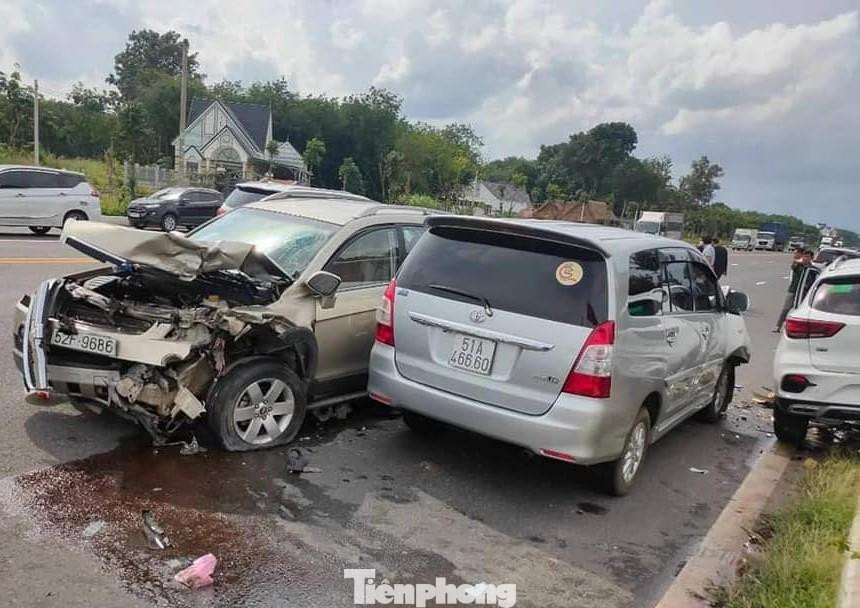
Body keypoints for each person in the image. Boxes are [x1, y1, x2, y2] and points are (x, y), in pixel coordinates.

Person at [775, 248, 811, 332]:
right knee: (786, 308)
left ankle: (797, 328)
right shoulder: (797, 265)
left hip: (803, 292)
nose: (806, 258)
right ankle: (778, 326)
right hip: (793, 290)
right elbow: (794, 266)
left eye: (808, 257)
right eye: (805, 256)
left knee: (800, 310)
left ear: (811, 258)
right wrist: (799, 262)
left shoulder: (811, 269)